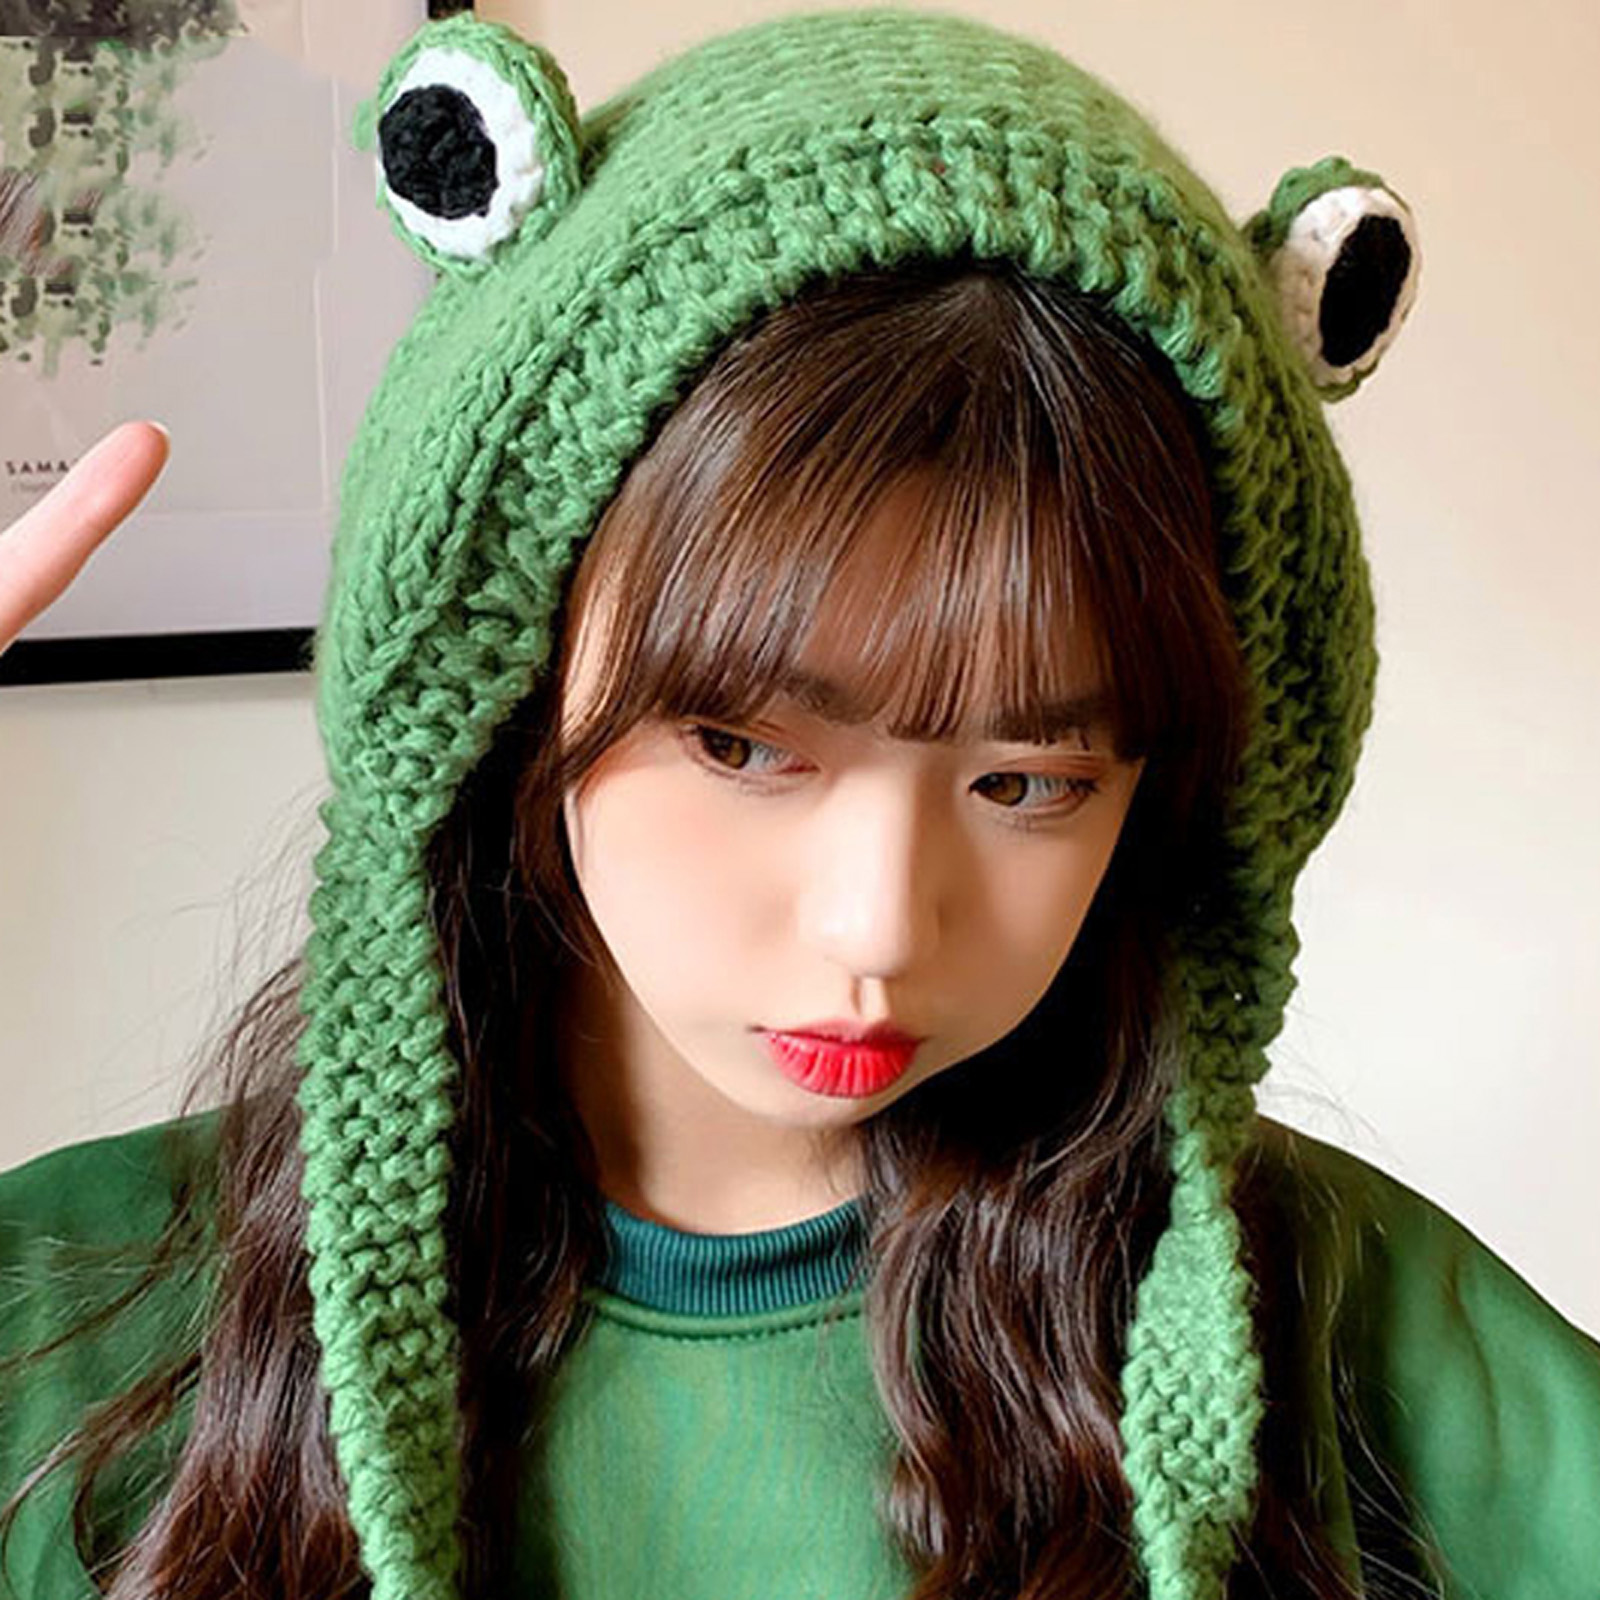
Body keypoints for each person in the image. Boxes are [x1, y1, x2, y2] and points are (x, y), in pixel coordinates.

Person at [1, 9, 1597, 1600]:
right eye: (744, 747)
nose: (878, 927)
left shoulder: (1361, 1348)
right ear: (510, 684)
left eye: (1027, 782)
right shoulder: (69, 1322)